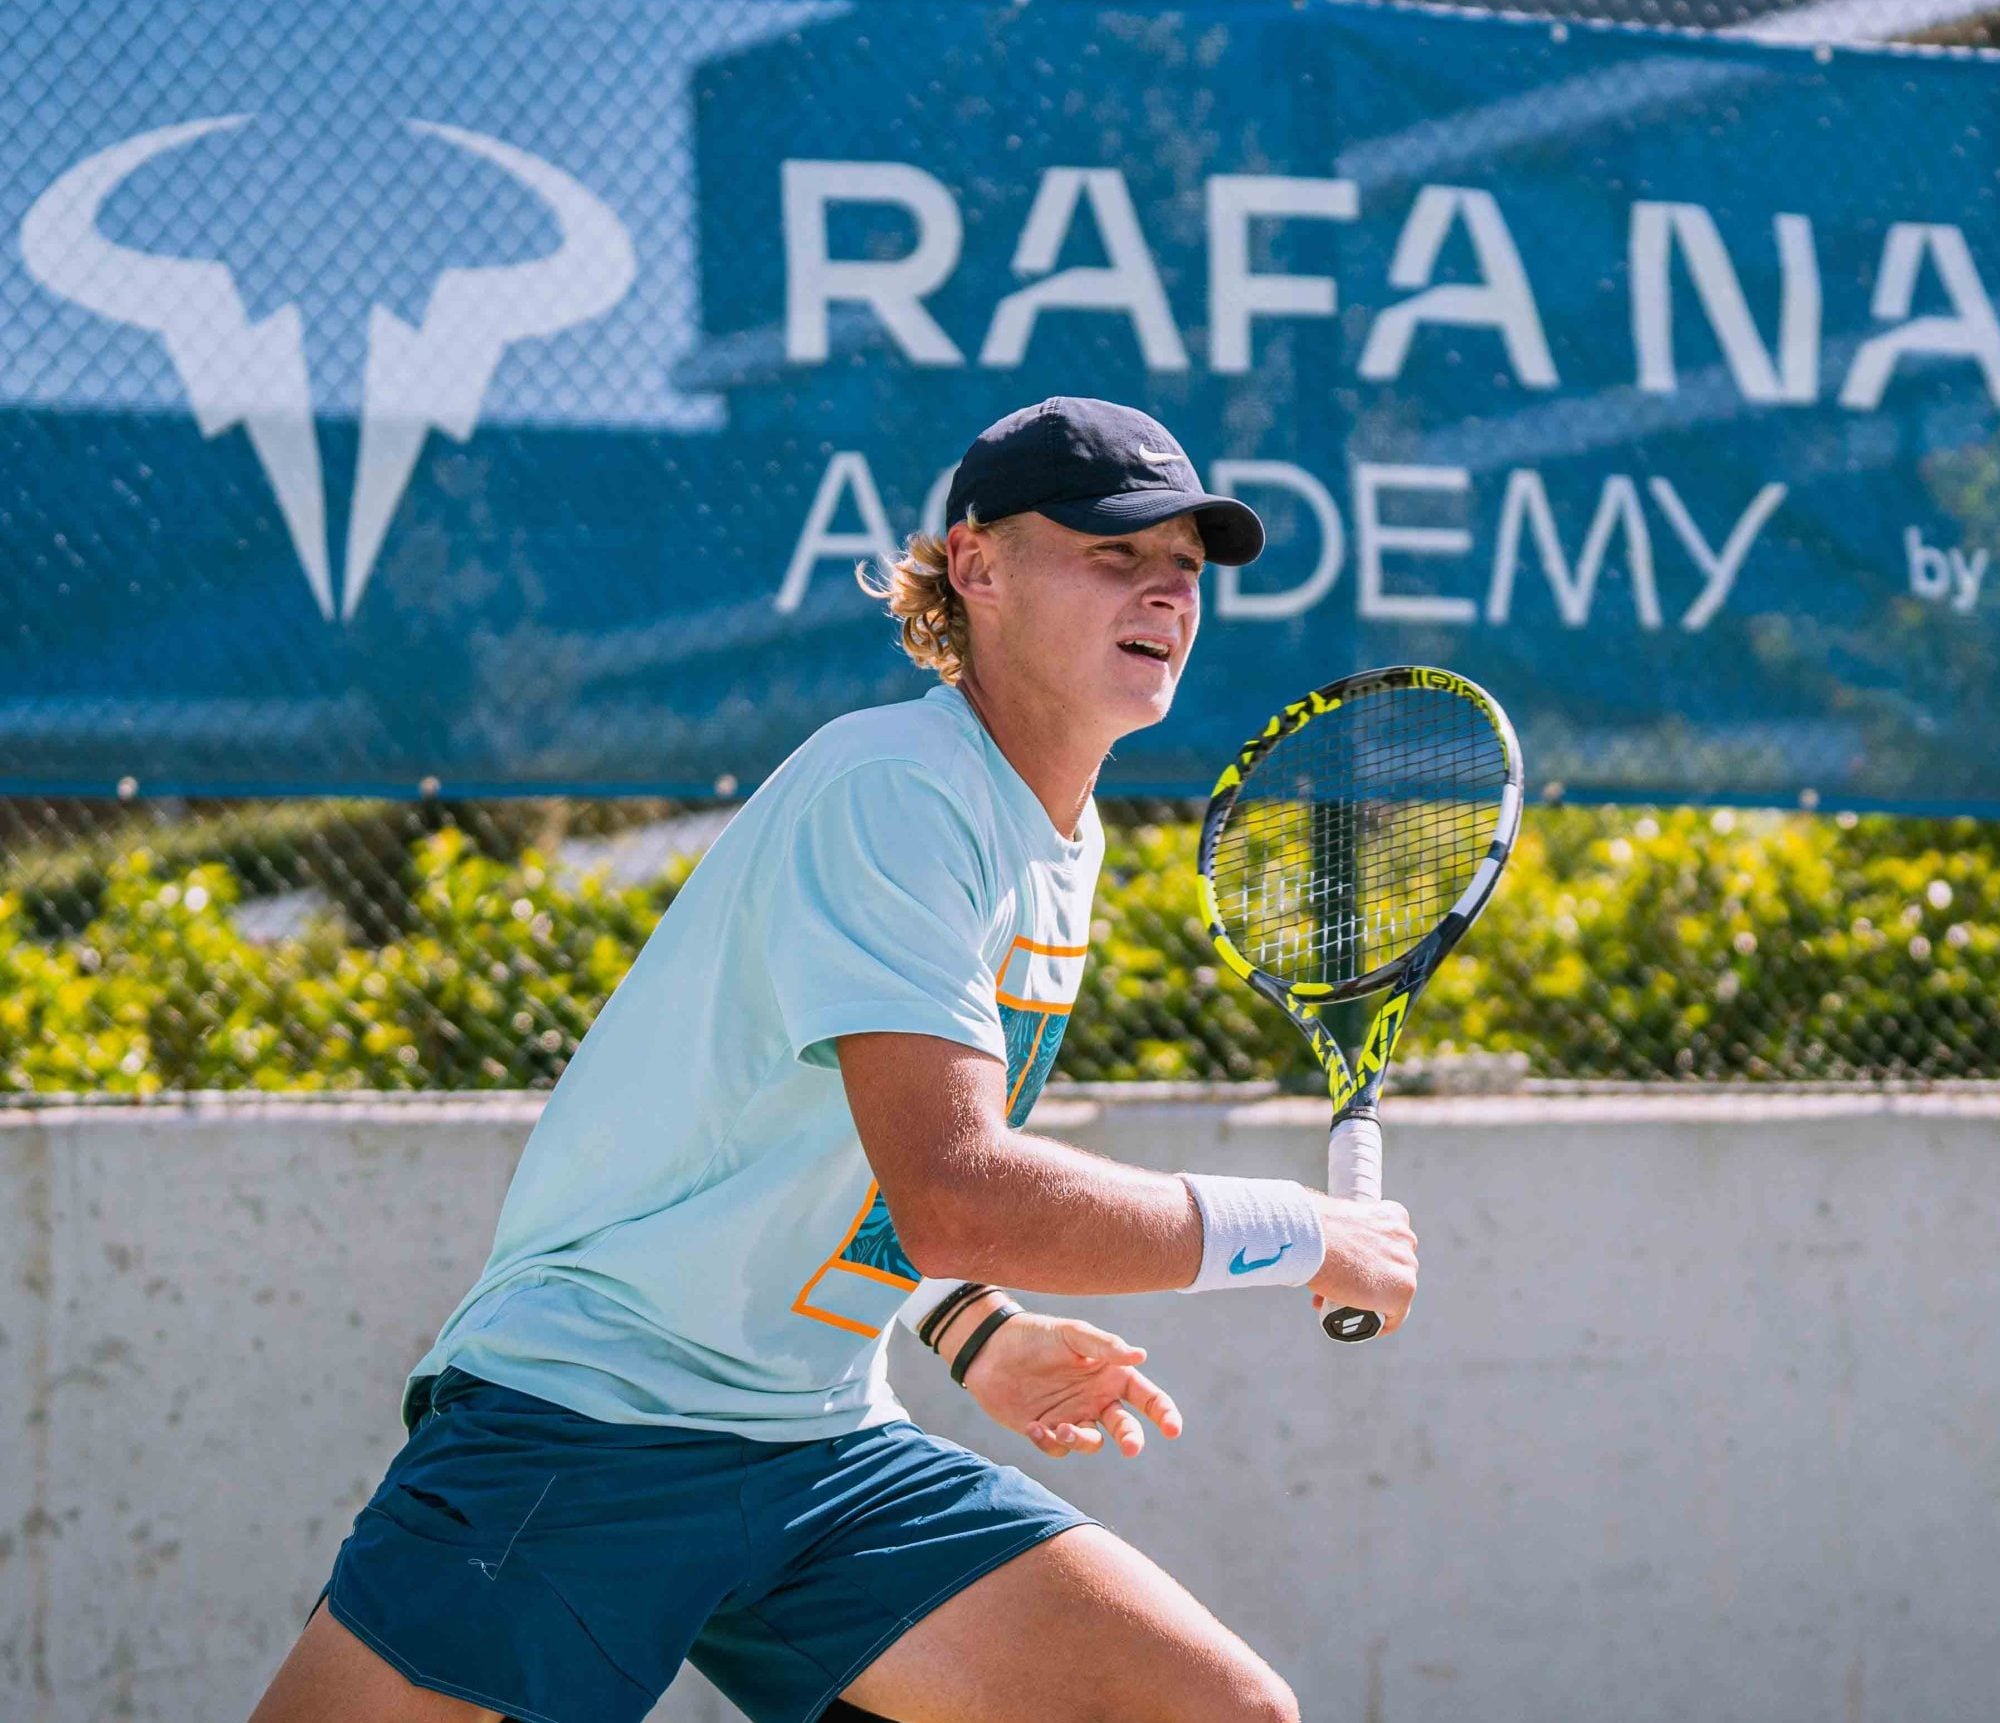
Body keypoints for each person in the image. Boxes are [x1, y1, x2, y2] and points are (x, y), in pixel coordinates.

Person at [247, 397, 1420, 1723]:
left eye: (1185, 570)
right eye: (1113, 553)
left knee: (1210, 1710)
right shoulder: (895, 790)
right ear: (975, 567)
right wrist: (1299, 1229)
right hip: (589, 1423)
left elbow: (847, 1159)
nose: (1165, 592)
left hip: (815, 1446)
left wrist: (971, 1326)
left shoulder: (1056, 833)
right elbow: (958, 1189)